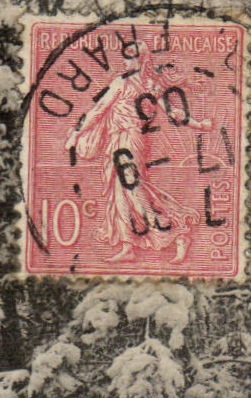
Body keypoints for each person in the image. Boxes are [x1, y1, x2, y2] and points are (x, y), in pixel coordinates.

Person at [64, 61, 210, 263]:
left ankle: (178, 232)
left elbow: (98, 111)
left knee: (132, 190)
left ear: (140, 61)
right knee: (120, 193)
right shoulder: (147, 85)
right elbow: (173, 112)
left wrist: (76, 134)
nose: (125, 62)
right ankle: (128, 246)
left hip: (128, 140)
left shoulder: (126, 83)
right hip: (120, 140)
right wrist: (199, 124)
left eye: (130, 57)